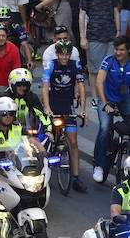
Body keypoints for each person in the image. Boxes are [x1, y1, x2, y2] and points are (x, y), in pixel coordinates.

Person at [41, 40, 86, 192]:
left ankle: (76, 178)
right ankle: (44, 166)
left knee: (73, 142)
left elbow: (81, 87)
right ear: (57, 54)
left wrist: (84, 110)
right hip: (53, 104)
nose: (65, 58)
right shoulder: (51, 65)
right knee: (49, 136)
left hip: (68, 105)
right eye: (62, 54)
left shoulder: (75, 66)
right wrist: (47, 108)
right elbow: (45, 88)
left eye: (67, 55)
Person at [93, 36, 130, 183]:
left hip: (124, 99)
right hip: (107, 99)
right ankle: (99, 166)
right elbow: (99, 82)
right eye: (116, 49)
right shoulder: (109, 60)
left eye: (121, 50)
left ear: (128, 50)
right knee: (104, 127)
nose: (118, 52)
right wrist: (105, 103)